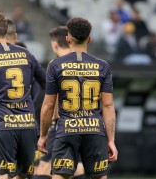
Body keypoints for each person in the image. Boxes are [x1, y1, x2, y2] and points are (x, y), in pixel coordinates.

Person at [38, 17, 118, 179]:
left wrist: (43, 135)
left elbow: (48, 105)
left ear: (68, 39)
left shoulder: (55, 65)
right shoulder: (103, 66)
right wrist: (111, 140)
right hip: (94, 131)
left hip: (66, 130)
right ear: (89, 39)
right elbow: (108, 105)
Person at [0, 11, 46, 179]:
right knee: (22, 175)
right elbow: (48, 85)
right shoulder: (26, 54)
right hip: (28, 125)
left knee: (4, 174)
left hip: (3, 125)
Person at [35, 26, 86, 179]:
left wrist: (44, 132)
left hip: (62, 127)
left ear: (55, 45)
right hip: (88, 125)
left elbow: (50, 104)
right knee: (78, 168)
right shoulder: (89, 64)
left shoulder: (56, 66)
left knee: (43, 168)